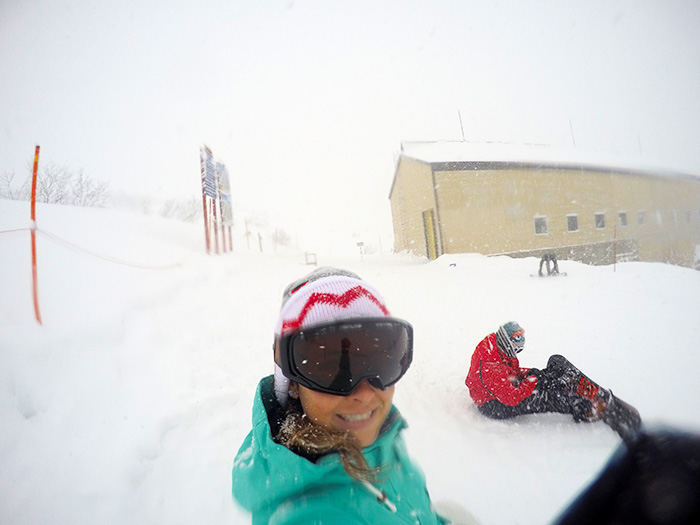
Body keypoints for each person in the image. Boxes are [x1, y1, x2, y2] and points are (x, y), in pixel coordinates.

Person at [232, 267, 447, 524]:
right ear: (292, 385)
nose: (365, 394)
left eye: (381, 360)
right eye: (331, 368)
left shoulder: (382, 433)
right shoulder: (315, 516)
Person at [465, 322, 603, 423]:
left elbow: (508, 372)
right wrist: (532, 379)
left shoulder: (498, 349)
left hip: (499, 389)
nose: (517, 353)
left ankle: (558, 383)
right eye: (517, 350)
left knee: (542, 375)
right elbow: (512, 398)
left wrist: (530, 374)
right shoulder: (491, 367)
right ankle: (581, 407)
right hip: (493, 404)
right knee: (541, 399)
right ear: (508, 345)